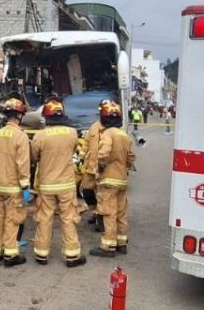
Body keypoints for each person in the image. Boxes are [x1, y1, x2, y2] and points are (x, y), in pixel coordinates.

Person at [30, 99, 87, 267]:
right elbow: (73, 150)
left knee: (44, 218)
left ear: (46, 117)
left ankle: (41, 253)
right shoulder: (72, 133)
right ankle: (72, 255)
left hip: (47, 184)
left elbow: (34, 156)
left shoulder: (40, 135)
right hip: (66, 184)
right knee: (68, 218)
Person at [0, 97, 31, 267]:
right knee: (12, 220)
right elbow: (23, 163)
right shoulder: (20, 135)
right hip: (13, 187)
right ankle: (11, 254)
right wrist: (25, 186)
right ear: (20, 116)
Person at [91, 101, 135, 258]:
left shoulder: (108, 133)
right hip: (122, 179)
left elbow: (103, 153)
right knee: (121, 212)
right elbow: (130, 157)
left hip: (109, 180)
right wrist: (124, 167)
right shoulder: (124, 135)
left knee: (108, 212)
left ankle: (108, 246)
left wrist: (100, 168)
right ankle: (121, 243)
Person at [79, 99, 110, 233]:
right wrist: (82, 154)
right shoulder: (94, 126)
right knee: (87, 191)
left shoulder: (112, 129)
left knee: (101, 195)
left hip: (104, 169)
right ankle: (95, 211)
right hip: (90, 167)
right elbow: (87, 143)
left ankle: (100, 219)